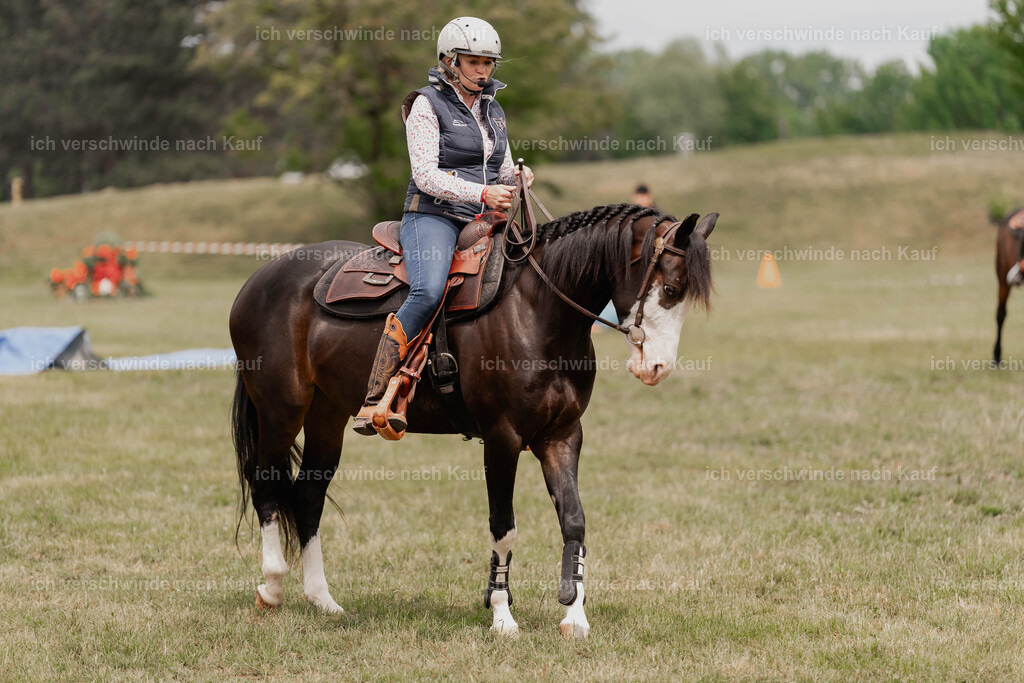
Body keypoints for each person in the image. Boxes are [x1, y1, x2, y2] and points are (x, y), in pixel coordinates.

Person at [353, 16, 533, 435]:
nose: (483, 71)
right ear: (449, 61)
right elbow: (426, 175)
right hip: (432, 215)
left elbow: (501, 169)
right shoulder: (425, 104)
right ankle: (376, 393)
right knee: (428, 290)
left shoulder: (493, 109)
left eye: (488, 63)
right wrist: (483, 193)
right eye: (474, 62)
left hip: (481, 219)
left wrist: (518, 178)